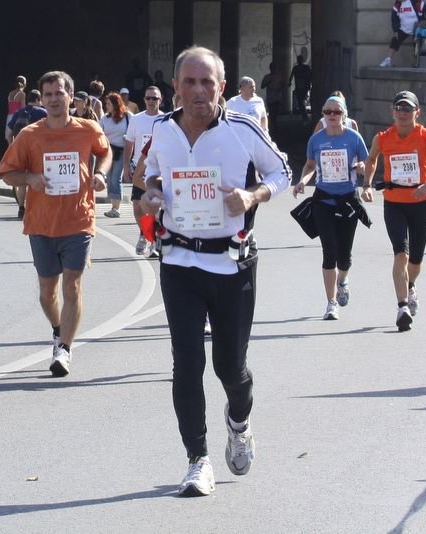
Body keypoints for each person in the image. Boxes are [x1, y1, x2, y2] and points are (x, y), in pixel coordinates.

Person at [140, 46, 291, 497]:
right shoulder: (163, 130)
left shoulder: (242, 129)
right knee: (186, 363)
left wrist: (251, 196)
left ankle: (239, 422)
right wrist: (150, 195)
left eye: (208, 82)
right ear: (176, 87)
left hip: (232, 263)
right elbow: (149, 176)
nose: (199, 90)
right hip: (179, 261)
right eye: (190, 82)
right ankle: (197, 459)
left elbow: (281, 171)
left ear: (222, 87)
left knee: (231, 367)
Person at [0, 70, 110, 377]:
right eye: (47, 94)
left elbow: (104, 151)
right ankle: (59, 329)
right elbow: (7, 172)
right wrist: (30, 178)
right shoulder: (29, 135)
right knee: (48, 293)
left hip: (78, 219)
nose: (53, 99)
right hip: (41, 223)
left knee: (72, 285)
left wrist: (100, 174)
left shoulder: (88, 129)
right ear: (42, 98)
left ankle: (64, 349)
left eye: (59, 93)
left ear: (70, 97)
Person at [362, 90, 426, 332]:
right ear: (392, 111)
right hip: (394, 203)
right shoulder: (382, 138)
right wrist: (367, 184)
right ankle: (402, 307)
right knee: (400, 255)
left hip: (419, 204)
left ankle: (410, 284)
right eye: (399, 108)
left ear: (417, 112)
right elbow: (371, 160)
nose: (402, 113)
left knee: (415, 260)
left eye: (407, 109)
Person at [292, 95, 369, 320]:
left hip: (348, 200)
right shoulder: (316, 140)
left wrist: (361, 169)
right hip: (323, 200)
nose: (332, 116)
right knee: (329, 252)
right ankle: (331, 302)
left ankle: (343, 280)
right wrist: (302, 181)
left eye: (337, 112)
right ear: (323, 115)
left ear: (344, 114)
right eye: (328, 112)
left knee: (344, 256)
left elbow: (367, 165)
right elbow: (309, 166)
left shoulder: (354, 138)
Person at [123, 85, 164, 255]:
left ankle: (153, 238)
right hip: (140, 168)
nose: (151, 101)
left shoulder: (166, 119)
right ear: (144, 100)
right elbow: (129, 142)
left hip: (159, 170)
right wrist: (126, 166)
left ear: (160, 100)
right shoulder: (136, 119)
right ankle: (144, 233)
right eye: (148, 98)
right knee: (137, 206)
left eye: (154, 98)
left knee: (155, 207)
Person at [7, 89, 48, 220]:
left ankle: (21, 207)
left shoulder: (19, 112)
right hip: (38, 151)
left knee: (23, 181)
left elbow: (8, 133)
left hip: (21, 151)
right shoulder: (43, 112)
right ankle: (38, 207)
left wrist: (12, 146)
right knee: (39, 178)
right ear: (37, 100)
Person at [99, 92, 131, 218]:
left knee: (115, 178)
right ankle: (113, 206)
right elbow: (99, 132)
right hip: (108, 151)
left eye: (108, 104)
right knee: (110, 179)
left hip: (121, 151)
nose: (106, 106)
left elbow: (134, 130)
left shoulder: (128, 117)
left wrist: (128, 138)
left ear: (115, 104)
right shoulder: (104, 119)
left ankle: (116, 208)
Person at [378, 1, 426, 68]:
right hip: (403, 28)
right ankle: (388, 60)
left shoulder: (416, 2)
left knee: (417, 45)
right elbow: (394, 17)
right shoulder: (397, 4)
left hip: (417, 28)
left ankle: (417, 63)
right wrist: (396, 30)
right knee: (395, 40)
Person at [5, 75, 26, 144]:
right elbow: (23, 108)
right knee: (18, 137)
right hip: (18, 117)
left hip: (9, 117)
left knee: (9, 137)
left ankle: (11, 152)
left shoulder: (10, 93)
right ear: (24, 84)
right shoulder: (22, 94)